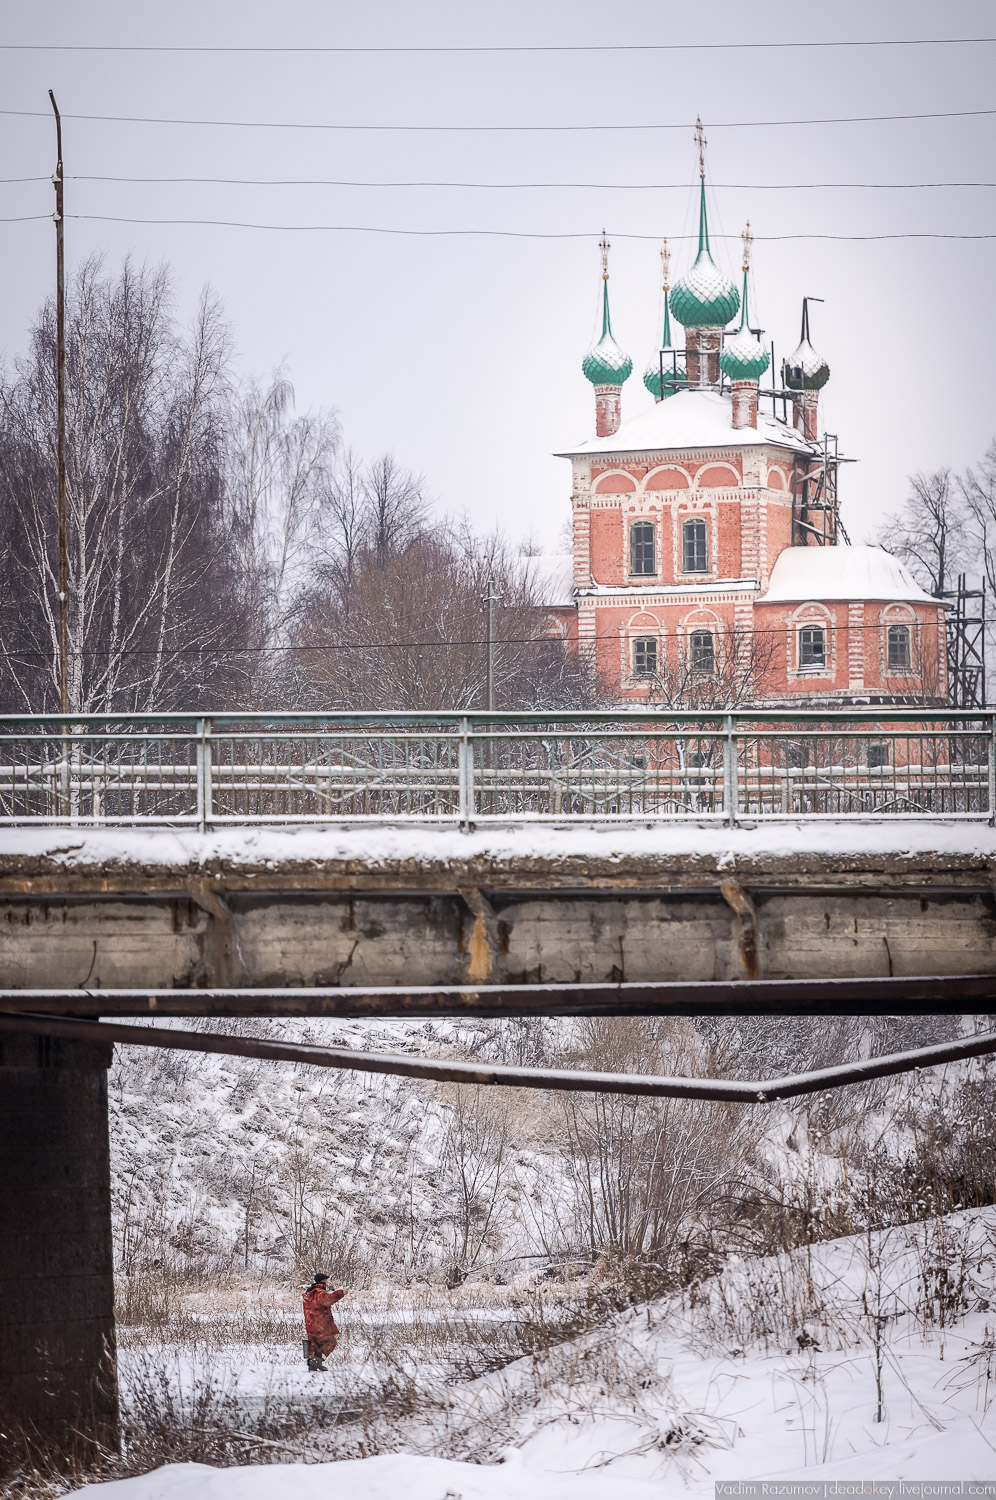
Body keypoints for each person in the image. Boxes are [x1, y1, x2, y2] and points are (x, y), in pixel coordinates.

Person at [302, 1272, 348, 1372]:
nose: (327, 1282)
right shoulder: (319, 1293)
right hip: (320, 1324)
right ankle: (317, 1361)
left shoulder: (309, 1294)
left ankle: (312, 1364)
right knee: (331, 1342)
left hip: (310, 1324)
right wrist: (341, 1293)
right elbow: (328, 1300)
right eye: (327, 1280)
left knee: (315, 1344)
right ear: (323, 1281)